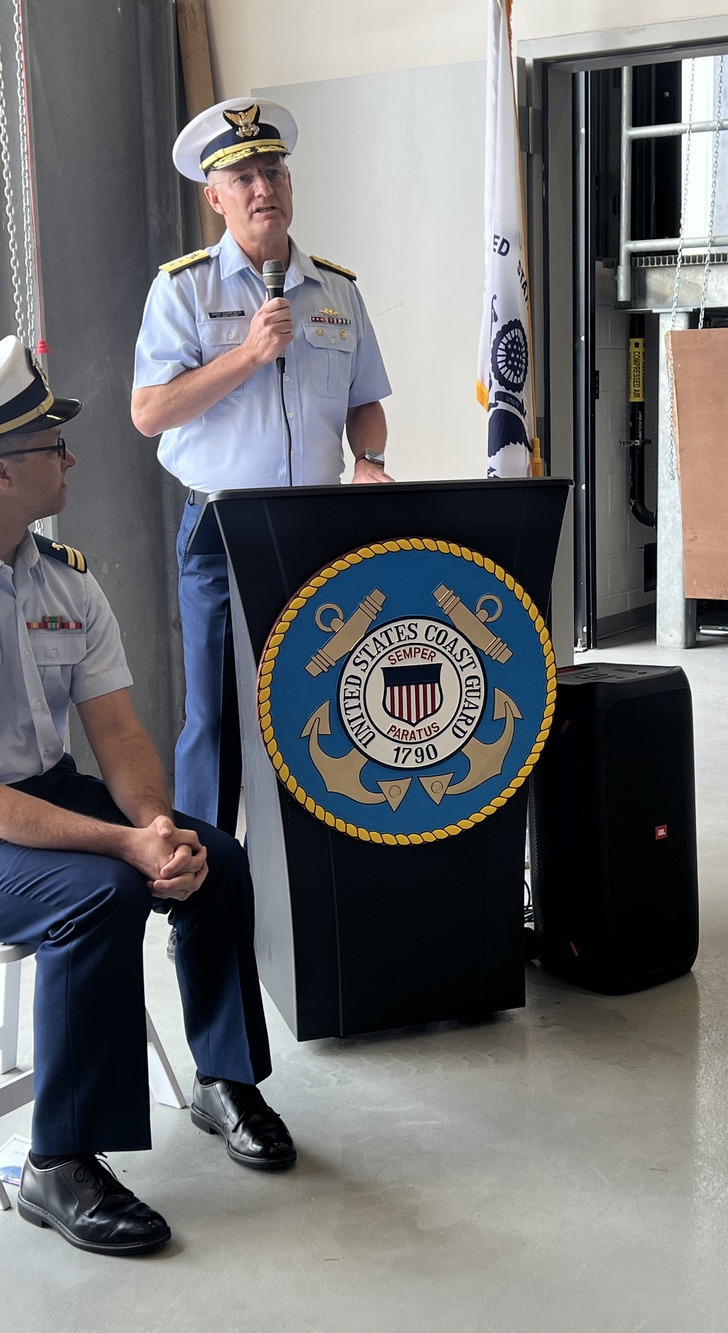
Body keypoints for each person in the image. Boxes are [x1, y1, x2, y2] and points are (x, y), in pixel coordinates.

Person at [0, 336, 296, 1257]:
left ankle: (222, 1079)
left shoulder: (65, 583)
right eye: (53, 446)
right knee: (101, 896)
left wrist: (158, 827)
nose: (71, 458)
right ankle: (59, 1161)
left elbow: (120, 734)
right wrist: (123, 852)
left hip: (46, 793)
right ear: (5, 472)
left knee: (215, 861)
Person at [131, 97, 394, 834]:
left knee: (321, 703)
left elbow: (365, 400)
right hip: (223, 526)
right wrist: (248, 355)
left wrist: (369, 458)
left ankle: (311, 876)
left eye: (272, 170)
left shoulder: (336, 289)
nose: (262, 188)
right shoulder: (184, 290)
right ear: (214, 197)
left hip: (318, 526)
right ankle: (205, 899)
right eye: (242, 176)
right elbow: (149, 412)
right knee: (216, 721)